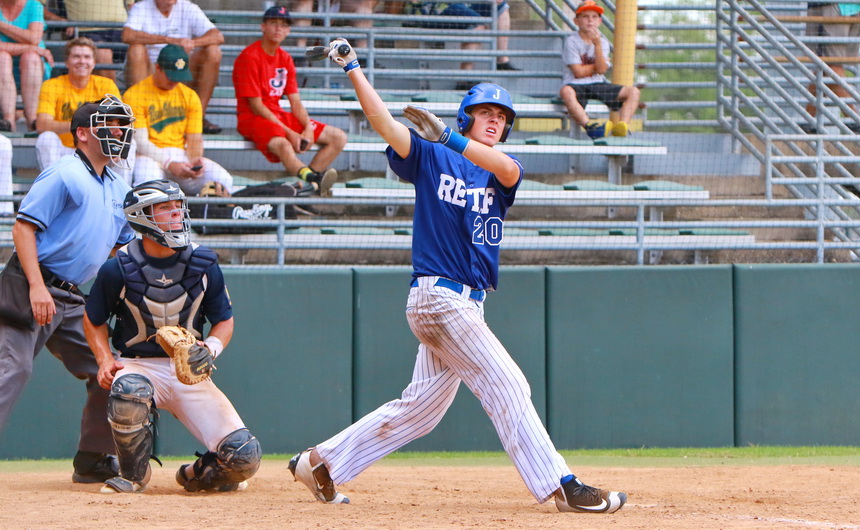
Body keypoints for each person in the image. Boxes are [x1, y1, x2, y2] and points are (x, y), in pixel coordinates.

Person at [288, 38, 627, 515]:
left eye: (502, 117)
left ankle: (319, 462)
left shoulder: (499, 168)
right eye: (486, 112)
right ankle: (562, 485)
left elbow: (505, 167)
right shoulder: (431, 155)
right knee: (508, 385)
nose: (495, 120)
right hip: (439, 297)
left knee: (420, 411)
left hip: (466, 304)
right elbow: (384, 122)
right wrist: (354, 68)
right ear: (468, 115)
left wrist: (450, 137)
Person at [82, 179, 262, 494]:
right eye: (165, 208)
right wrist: (104, 360)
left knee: (244, 457)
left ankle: (195, 473)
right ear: (141, 216)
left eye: (178, 206)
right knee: (129, 391)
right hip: (137, 364)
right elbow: (92, 319)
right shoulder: (118, 267)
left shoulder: (203, 262)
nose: (177, 213)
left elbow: (224, 320)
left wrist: (211, 349)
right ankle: (133, 475)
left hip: (188, 369)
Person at [0, 95, 136, 484]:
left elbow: (120, 248)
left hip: (73, 295)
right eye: (109, 125)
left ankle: (93, 459)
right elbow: (23, 229)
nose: (118, 132)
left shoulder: (119, 184)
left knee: (109, 370)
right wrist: (37, 287)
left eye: (121, 126)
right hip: (31, 286)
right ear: (82, 133)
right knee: (13, 367)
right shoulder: (64, 173)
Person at [232, 6, 346, 197]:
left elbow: (295, 101)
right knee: (284, 144)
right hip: (252, 118)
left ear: (289, 30)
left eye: (284, 25)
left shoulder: (285, 58)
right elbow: (256, 106)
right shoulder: (249, 57)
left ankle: (303, 190)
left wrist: (307, 128)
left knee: (338, 137)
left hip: (277, 115)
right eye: (273, 23)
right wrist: (291, 134)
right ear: (263, 26)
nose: (279, 28)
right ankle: (313, 180)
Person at [123, 44, 233, 194]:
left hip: (180, 154)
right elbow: (141, 142)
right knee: (149, 181)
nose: (174, 81)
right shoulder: (135, 94)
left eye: (179, 76)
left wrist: (195, 160)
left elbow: (194, 138)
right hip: (149, 156)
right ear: (158, 68)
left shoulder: (189, 96)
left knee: (223, 179)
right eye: (171, 75)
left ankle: (206, 208)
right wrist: (169, 163)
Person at [122, 0, 223, 134]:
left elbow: (218, 36)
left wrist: (191, 43)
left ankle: (198, 117)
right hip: (152, 70)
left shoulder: (188, 7)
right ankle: (140, 114)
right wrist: (169, 40)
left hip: (181, 67)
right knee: (136, 49)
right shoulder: (141, 7)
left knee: (213, 51)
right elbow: (127, 35)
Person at [35, 37, 129, 173]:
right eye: (76, 56)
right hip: (63, 151)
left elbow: (120, 122)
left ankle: (120, 187)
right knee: (46, 138)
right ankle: (56, 184)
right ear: (67, 62)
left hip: (97, 150)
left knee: (127, 142)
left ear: (94, 62)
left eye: (87, 57)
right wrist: (81, 124)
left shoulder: (106, 85)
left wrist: (115, 142)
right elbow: (42, 125)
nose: (82, 61)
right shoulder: (51, 85)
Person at [558, 0, 640, 140]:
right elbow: (578, 72)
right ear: (576, 21)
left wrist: (597, 45)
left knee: (634, 92)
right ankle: (591, 127)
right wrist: (597, 67)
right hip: (576, 85)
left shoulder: (603, 42)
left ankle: (622, 127)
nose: (590, 20)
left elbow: (601, 71)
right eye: (585, 16)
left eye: (594, 17)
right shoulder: (571, 41)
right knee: (566, 91)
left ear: (600, 21)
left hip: (598, 84)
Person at [803, 2, 860, 133]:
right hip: (854, 7)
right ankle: (808, 120)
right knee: (825, 68)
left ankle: (853, 116)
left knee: (831, 65)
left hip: (831, 7)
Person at [42, 0, 131, 81]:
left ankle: (134, 93)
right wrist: (63, 21)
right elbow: (37, 7)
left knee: (137, 50)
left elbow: (132, 6)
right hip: (85, 30)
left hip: (122, 30)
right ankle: (110, 93)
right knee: (103, 53)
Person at [0, 0, 53, 131]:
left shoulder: (34, 5)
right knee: (2, 58)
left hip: (34, 67)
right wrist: (32, 47)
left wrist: (1, 25)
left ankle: (32, 120)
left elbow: (34, 38)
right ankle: (8, 122)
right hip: (3, 67)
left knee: (30, 57)